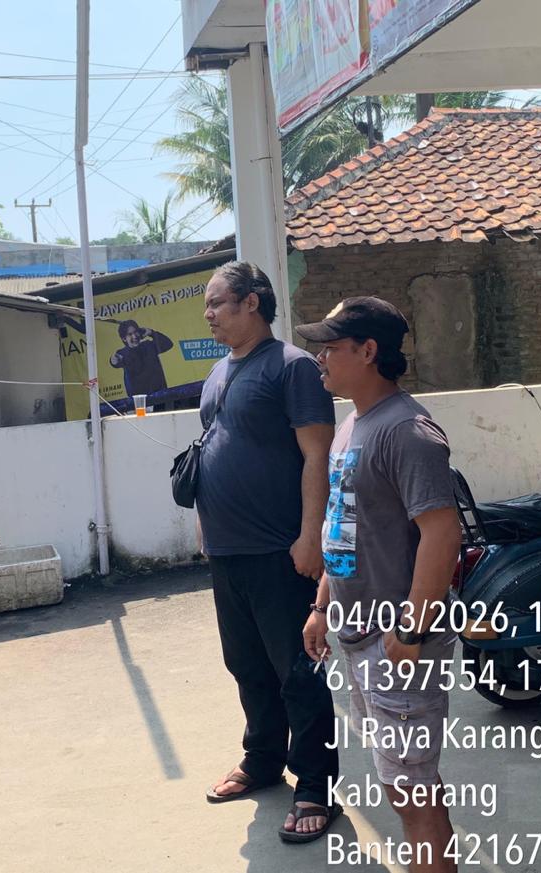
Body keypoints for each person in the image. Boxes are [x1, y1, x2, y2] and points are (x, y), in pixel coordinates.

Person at [299, 297, 462, 873]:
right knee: (402, 784)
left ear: (368, 351)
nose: (320, 358)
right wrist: (322, 605)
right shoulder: (352, 426)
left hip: (397, 642)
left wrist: (411, 630)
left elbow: (442, 533)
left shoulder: (408, 431)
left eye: (331, 347)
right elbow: (343, 526)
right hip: (360, 634)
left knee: (412, 791)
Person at [195, 261, 342, 843]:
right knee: (247, 665)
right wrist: (206, 527)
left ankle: (315, 785)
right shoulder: (218, 371)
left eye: (216, 303)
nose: (208, 315)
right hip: (227, 549)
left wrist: (311, 535)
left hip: (279, 549)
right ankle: (262, 759)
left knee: (298, 671)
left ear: (252, 302)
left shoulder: (292, 367)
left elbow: (316, 455)